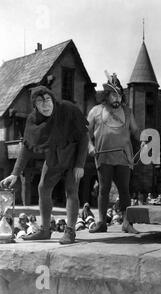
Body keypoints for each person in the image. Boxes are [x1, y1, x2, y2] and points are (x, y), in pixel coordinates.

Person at [0, 86, 88, 244]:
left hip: (73, 157)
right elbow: (26, 146)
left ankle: (70, 231)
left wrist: (80, 164)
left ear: (53, 100)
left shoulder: (68, 109)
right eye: (40, 102)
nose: (45, 105)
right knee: (43, 188)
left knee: (71, 190)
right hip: (53, 159)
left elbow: (84, 137)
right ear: (35, 105)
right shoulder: (33, 120)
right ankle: (45, 230)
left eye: (47, 100)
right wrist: (15, 173)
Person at [87, 72, 145, 233]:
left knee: (124, 189)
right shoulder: (95, 111)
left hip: (124, 156)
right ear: (107, 95)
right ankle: (101, 222)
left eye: (119, 94)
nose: (117, 97)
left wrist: (143, 139)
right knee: (103, 189)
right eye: (113, 94)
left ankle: (127, 222)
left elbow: (135, 131)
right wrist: (90, 147)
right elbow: (86, 133)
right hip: (103, 155)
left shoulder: (127, 112)